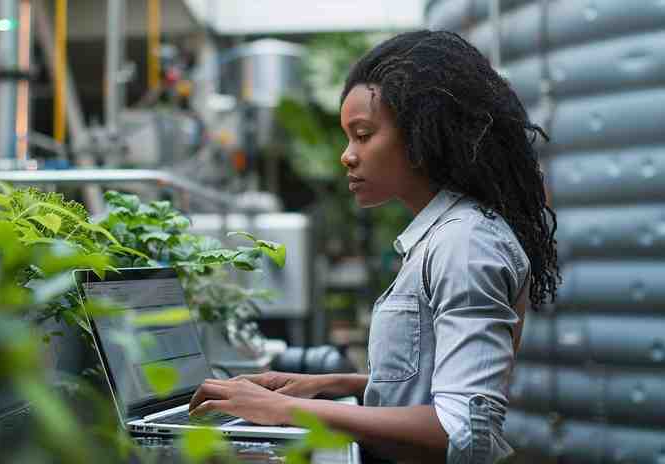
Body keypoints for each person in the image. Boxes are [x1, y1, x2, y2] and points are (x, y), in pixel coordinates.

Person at [189, 30, 560, 463]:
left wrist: (288, 410)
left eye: (363, 135)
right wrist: (335, 385)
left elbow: (462, 431)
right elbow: (429, 382)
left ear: (422, 135)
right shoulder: (442, 235)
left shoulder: (465, 244)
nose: (347, 155)